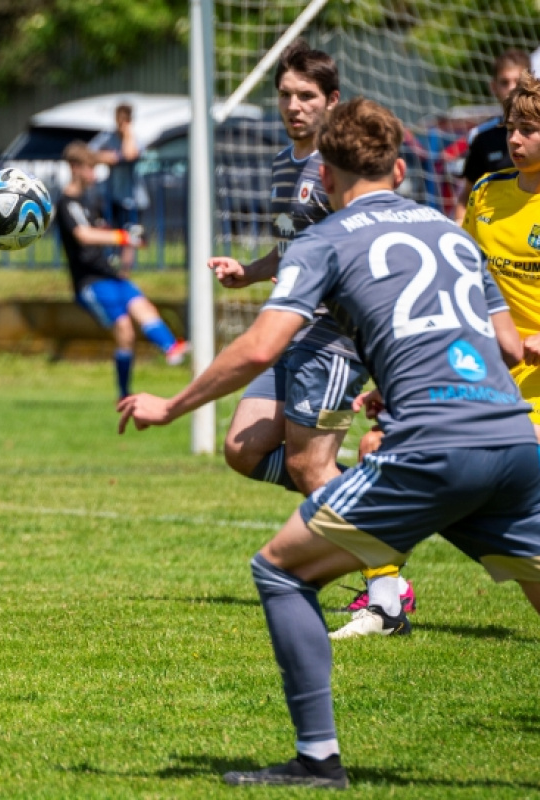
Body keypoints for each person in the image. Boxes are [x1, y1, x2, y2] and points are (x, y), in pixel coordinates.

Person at [118, 97, 540, 790]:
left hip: (432, 447)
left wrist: (172, 404)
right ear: (400, 167)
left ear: (327, 175)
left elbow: (262, 345)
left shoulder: (325, 236)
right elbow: (504, 343)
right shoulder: (453, 231)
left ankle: (316, 759)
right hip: (513, 438)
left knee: (281, 570)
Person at [208, 40, 415, 638]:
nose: (294, 107)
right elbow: (292, 249)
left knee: (306, 462)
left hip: (334, 334)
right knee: (244, 450)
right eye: (286, 96)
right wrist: (247, 272)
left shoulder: (340, 172)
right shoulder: (281, 166)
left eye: (307, 96)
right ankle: (362, 491)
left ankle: (387, 595)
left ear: (332, 101)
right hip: (291, 325)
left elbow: (375, 247)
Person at [57, 140, 188, 400]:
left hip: (110, 275)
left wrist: (130, 238)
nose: (94, 175)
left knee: (144, 308)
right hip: (90, 282)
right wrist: (122, 238)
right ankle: (124, 393)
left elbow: (103, 231)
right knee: (125, 332)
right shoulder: (65, 204)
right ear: (74, 168)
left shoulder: (92, 200)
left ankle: (172, 350)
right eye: (89, 168)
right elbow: (84, 235)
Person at [463, 69, 540, 441]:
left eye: (528, 129)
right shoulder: (486, 191)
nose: (515, 139)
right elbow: (461, 270)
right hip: (489, 358)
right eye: (511, 128)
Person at [452, 48, 531, 224]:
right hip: (497, 229)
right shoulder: (482, 136)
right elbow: (467, 194)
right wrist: (461, 229)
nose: (512, 88)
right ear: (493, 87)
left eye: (518, 81)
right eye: (505, 82)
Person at [89, 102, 146, 272]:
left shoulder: (135, 138)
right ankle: (108, 270)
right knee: (109, 233)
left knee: (130, 237)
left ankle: (124, 274)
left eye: (124, 120)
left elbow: (129, 154)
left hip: (133, 198)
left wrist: (127, 133)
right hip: (110, 196)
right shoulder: (107, 137)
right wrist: (109, 157)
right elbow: (88, 153)